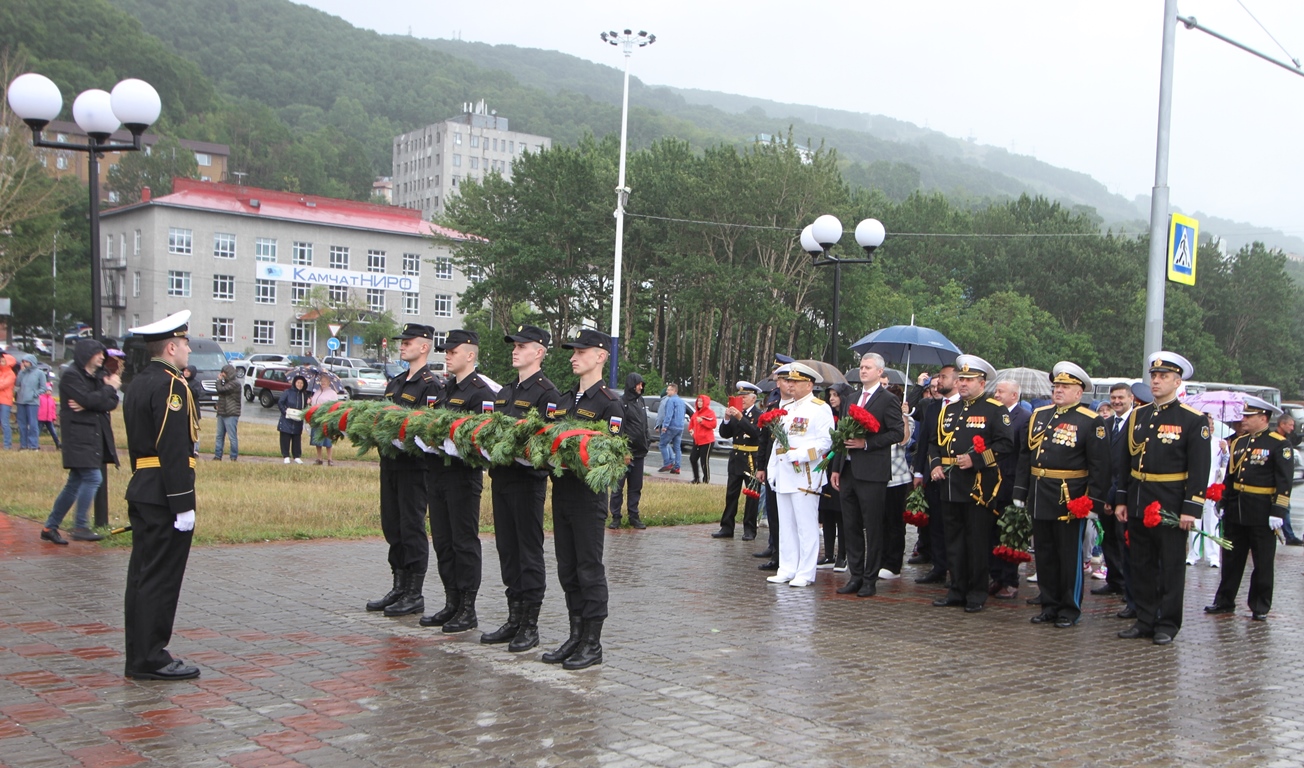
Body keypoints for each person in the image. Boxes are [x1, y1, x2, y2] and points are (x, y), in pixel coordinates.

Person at [121, 310, 201, 680]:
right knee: (160, 578)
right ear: (171, 347)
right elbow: (171, 447)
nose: (187, 350)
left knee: (141, 576)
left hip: (143, 487)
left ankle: (138, 655)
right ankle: (151, 657)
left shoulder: (139, 382)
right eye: (184, 344)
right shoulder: (172, 386)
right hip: (165, 495)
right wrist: (184, 503)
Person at [1115, 352, 1211, 646]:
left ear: (1177, 382)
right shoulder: (1138, 416)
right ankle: (1145, 619)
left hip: (1171, 502)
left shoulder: (1192, 420)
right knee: (1141, 564)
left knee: (1169, 566)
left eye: (1163, 377)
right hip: (1140, 499)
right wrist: (1122, 499)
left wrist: (1191, 508)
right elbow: (1125, 461)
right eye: (1153, 376)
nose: (1156, 381)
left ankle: (1167, 623)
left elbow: (1199, 468)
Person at [541, 328, 623, 670]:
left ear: (601, 356)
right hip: (561, 493)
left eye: (582, 351)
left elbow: (614, 453)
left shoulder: (609, 403)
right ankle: (575, 634)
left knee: (589, 568)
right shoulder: (562, 400)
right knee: (568, 568)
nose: (574, 356)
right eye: (573, 352)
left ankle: (593, 642)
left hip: (588, 498)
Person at [1014, 362, 1111, 628]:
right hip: (1040, 492)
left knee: (1068, 555)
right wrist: (1021, 490)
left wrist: (1092, 501)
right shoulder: (1040, 415)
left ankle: (1069, 608)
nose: (1058, 391)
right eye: (1056, 386)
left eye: (1065, 387)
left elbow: (1100, 466)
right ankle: (1049, 603)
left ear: (1079, 392)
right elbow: (1027, 455)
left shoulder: (1091, 421)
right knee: (1044, 553)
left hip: (1071, 497)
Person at [482, 325, 562, 651]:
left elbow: (546, 445)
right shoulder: (505, 391)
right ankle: (513, 617)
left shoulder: (547, 394)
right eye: (514, 345)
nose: (515, 350)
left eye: (522, 345)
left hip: (527, 483)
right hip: (501, 479)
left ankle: (530, 624)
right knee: (507, 551)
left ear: (539, 352)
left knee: (529, 553)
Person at [421, 329, 499, 635]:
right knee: (442, 541)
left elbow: (484, 439)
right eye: (446, 351)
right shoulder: (446, 387)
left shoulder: (481, 393)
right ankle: (451, 601)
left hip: (462, 477)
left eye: (453, 351)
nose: (447, 355)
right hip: (438, 473)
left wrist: (457, 444)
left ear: (470, 355)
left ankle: (468, 607)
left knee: (463, 542)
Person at [928, 355, 1014, 613]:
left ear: (982, 382)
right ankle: (957, 589)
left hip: (978, 488)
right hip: (950, 485)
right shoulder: (949, 409)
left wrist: (976, 460)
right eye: (961, 379)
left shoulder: (994, 409)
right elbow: (935, 441)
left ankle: (977, 592)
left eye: (968, 380)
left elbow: (1005, 445)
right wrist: (934, 464)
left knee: (976, 543)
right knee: (953, 541)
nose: (962, 384)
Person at [367, 323, 442, 617]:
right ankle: (398, 585)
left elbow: (427, 429)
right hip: (390, 463)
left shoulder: (431, 385)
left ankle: (414, 592)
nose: (402, 345)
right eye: (402, 341)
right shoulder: (396, 382)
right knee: (392, 524)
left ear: (424, 346)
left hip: (414, 466)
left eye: (408, 342)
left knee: (411, 526)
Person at [1206, 396, 1292, 621]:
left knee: (1262, 562)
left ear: (1263, 418)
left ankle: (1260, 605)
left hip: (1262, 512)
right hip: (1237, 509)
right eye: (1243, 416)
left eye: (1248, 416)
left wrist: (1278, 511)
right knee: (1232, 560)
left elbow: (1284, 482)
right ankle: (1224, 600)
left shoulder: (1278, 444)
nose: (1243, 420)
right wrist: (1222, 501)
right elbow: (1230, 477)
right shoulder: (1239, 442)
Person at [831, 353, 905, 597]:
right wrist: (836, 468)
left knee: (872, 527)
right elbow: (841, 435)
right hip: (849, 470)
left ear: (879, 372)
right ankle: (856, 574)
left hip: (872, 472)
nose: (862, 371)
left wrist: (867, 443)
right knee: (850, 525)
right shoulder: (851, 398)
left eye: (868, 367)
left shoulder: (887, 400)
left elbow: (896, 433)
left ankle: (870, 578)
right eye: (861, 367)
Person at [41, 339, 120, 544]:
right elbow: (90, 399)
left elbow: (111, 402)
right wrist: (105, 391)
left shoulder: (98, 377)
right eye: (98, 353)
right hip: (78, 437)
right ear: (86, 354)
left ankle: (50, 526)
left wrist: (94, 400)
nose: (103, 357)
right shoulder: (71, 376)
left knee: (74, 483)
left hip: (93, 436)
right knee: (93, 478)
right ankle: (80, 525)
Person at [763, 363, 835, 589]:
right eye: (789, 381)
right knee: (786, 525)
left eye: (796, 382)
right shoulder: (790, 408)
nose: (791, 385)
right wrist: (772, 469)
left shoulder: (819, 408)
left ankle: (805, 571)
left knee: (806, 526)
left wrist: (800, 455)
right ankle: (787, 568)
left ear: (809, 384)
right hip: (785, 475)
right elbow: (777, 443)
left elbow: (825, 443)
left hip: (805, 475)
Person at [912, 364, 959, 584]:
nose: (938, 381)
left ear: (957, 381)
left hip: (958, 477)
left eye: (943, 377)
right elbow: (925, 442)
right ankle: (939, 567)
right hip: (933, 474)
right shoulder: (933, 406)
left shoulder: (966, 407)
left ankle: (957, 571)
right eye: (938, 377)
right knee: (936, 524)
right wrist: (919, 471)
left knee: (955, 527)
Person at [988, 378, 1031, 599]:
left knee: (1008, 534)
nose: (996, 395)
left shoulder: (1023, 418)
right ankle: (996, 577)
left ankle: (1010, 581)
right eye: (996, 391)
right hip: (991, 484)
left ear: (1014, 395)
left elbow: (1023, 454)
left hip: (1010, 482)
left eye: (1001, 392)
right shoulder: (994, 414)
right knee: (993, 532)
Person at [712, 381, 763, 540]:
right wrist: (727, 419)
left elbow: (755, 433)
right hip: (736, 458)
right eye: (740, 396)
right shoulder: (736, 412)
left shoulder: (758, 415)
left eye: (745, 396)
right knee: (731, 494)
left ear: (753, 398)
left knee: (752, 495)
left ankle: (749, 529)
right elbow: (726, 434)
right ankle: (727, 527)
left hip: (751, 459)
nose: (742, 399)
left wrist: (741, 418)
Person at [817, 383, 853, 568]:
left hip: (840, 468)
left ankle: (843, 556)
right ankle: (829, 554)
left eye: (836, 395)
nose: (832, 398)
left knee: (841, 514)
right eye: (830, 395)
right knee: (827, 511)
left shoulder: (847, 418)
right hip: (826, 468)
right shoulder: (827, 416)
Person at [882, 385, 915, 578]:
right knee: (880, 522)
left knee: (895, 522)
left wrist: (904, 415)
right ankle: (881, 558)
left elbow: (904, 441)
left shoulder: (905, 418)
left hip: (898, 476)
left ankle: (893, 563)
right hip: (878, 475)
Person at [1186, 414, 1227, 568]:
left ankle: (1213, 556)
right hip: (1196, 487)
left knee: (1211, 522)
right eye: (1207, 425)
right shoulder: (1194, 440)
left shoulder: (1219, 443)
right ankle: (1193, 554)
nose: (1210, 428)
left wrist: (1225, 452)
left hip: (1212, 486)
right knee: (1194, 521)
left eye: (1211, 425)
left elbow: (1226, 464)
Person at [609, 372, 648, 530]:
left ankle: (634, 516)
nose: (641, 387)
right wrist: (623, 451)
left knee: (636, 487)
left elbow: (644, 424)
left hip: (639, 453)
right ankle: (616, 517)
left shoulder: (641, 401)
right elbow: (615, 430)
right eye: (639, 384)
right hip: (623, 454)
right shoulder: (620, 403)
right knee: (618, 487)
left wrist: (647, 439)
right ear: (632, 384)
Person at [1272, 415, 1302, 545]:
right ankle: (1289, 536)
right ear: (1282, 424)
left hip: (1283, 480)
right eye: (1290, 425)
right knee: (1283, 507)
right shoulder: (1273, 440)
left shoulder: (1288, 438)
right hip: (1274, 481)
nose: (1292, 428)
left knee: (1285, 507)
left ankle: (1289, 535)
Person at [276, 374, 309, 464]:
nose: (300, 384)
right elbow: (280, 403)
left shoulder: (304, 395)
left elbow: (305, 408)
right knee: (285, 437)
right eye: (298, 382)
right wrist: (285, 412)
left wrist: (308, 403)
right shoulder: (287, 392)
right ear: (295, 383)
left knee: (296, 438)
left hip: (298, 420)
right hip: (287, 419)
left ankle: (296, 456)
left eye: (301, 383)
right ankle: (286, 455)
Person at [309, 373, 340, 466]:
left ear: (329, 382)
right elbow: (313, 404)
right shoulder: (317, 391)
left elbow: (335, 405)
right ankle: (319, 458)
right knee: (317, 438)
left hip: (326, 418)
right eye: (322, 381)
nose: (323, 383)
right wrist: (310, 401)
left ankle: (330, 459)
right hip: (316, 418)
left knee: (327, 439)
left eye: (325, 381)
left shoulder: (332, 393)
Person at [14, 354, 44, 450]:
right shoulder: (23, 373)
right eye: (23, 362)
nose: (25, 364)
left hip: (32, 402)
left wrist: (35, 394)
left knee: (33, 424)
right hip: (21, 401)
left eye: (27, 362)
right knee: (22, 424)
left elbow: (43, 388)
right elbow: (17, 383)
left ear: (32, 362)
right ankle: (23, 445)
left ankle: (33, 445)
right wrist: (21, 372)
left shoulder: (39, 373)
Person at [212, 363, 240, 461]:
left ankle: (233, 457)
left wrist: (219, 381)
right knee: (219, 436)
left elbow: (221, 390)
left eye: (224, 373)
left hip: (231, 413)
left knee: (232, 437)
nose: (222, 374)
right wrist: (217, 403)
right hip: (222, 412)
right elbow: (222, 395)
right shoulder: (226, 382)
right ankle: (217, 455)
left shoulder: (235, 383)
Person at [688, 394, 717, 484]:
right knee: (693, 458)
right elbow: (691, 425)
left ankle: (706, 480)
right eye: (698, 401)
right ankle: (696, 478)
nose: (699, 403)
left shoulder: (710, 413)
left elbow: (713, 425)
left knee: (704, 461)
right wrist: (691, 431)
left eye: (701, 401)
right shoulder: (696, 413)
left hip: (707, 441)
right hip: (697, 440)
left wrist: (703, 422)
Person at [656, 383, 685, 474]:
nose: (667, 391)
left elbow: (669, 414)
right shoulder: (681, 401)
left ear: (674, 391)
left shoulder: (670, 400)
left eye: (669, 390)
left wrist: (665, 426)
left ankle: (667, 463)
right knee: (677, 448)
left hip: (671, 426)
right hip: (680, 426)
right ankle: (677, 467)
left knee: (662, 444)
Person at [0, 346, 15, 449]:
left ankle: (7, 444)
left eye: (3, 361)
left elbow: (2, 385)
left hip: (5, 401)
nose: (1, 363)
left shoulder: (11, 374)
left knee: (5, 423)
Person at [38, 382, 60, 449]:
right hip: (41, 418)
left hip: (49, 418)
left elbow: (53, 409)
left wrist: (54, 418)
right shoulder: (40, 398)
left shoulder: (52, 400)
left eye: (50, 391)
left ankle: (58, 443)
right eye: (48, 390)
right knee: (38, 431)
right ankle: (35, 443)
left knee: (53, 432)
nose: (49, 392)